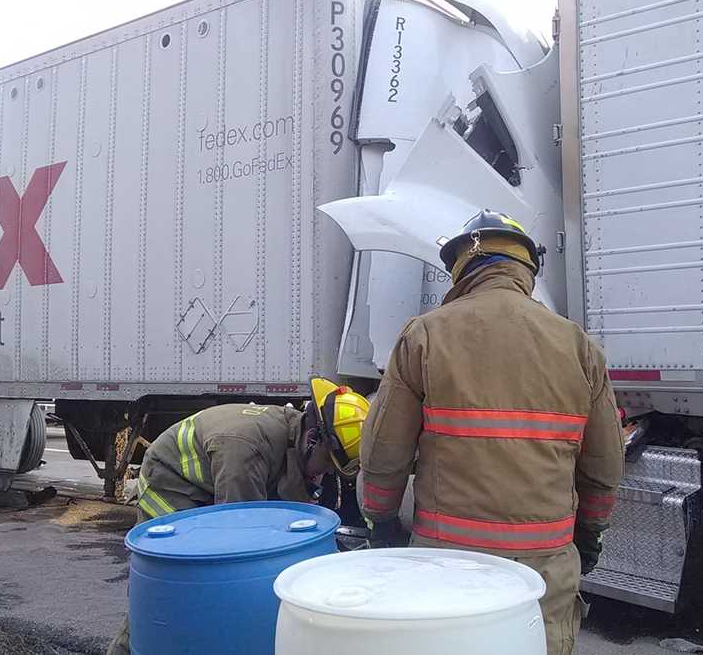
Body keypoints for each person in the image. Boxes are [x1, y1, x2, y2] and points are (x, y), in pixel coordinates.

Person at [358, 210, 625, 655]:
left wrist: (380, 522)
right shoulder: (579, 345)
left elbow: (385, 452)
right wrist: (590, 533)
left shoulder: (424, 336)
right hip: (543, 568)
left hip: (445, 563)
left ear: (460, 270)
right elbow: (603, 464)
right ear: (528, 270)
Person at [108, 378, 369, 655]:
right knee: (174, 587)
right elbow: (242, 542)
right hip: (171, 483)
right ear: (313, 439)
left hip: (211, 482)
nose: (328, 472)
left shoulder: (291, 431)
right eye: (329, 462)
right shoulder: (246, 451)